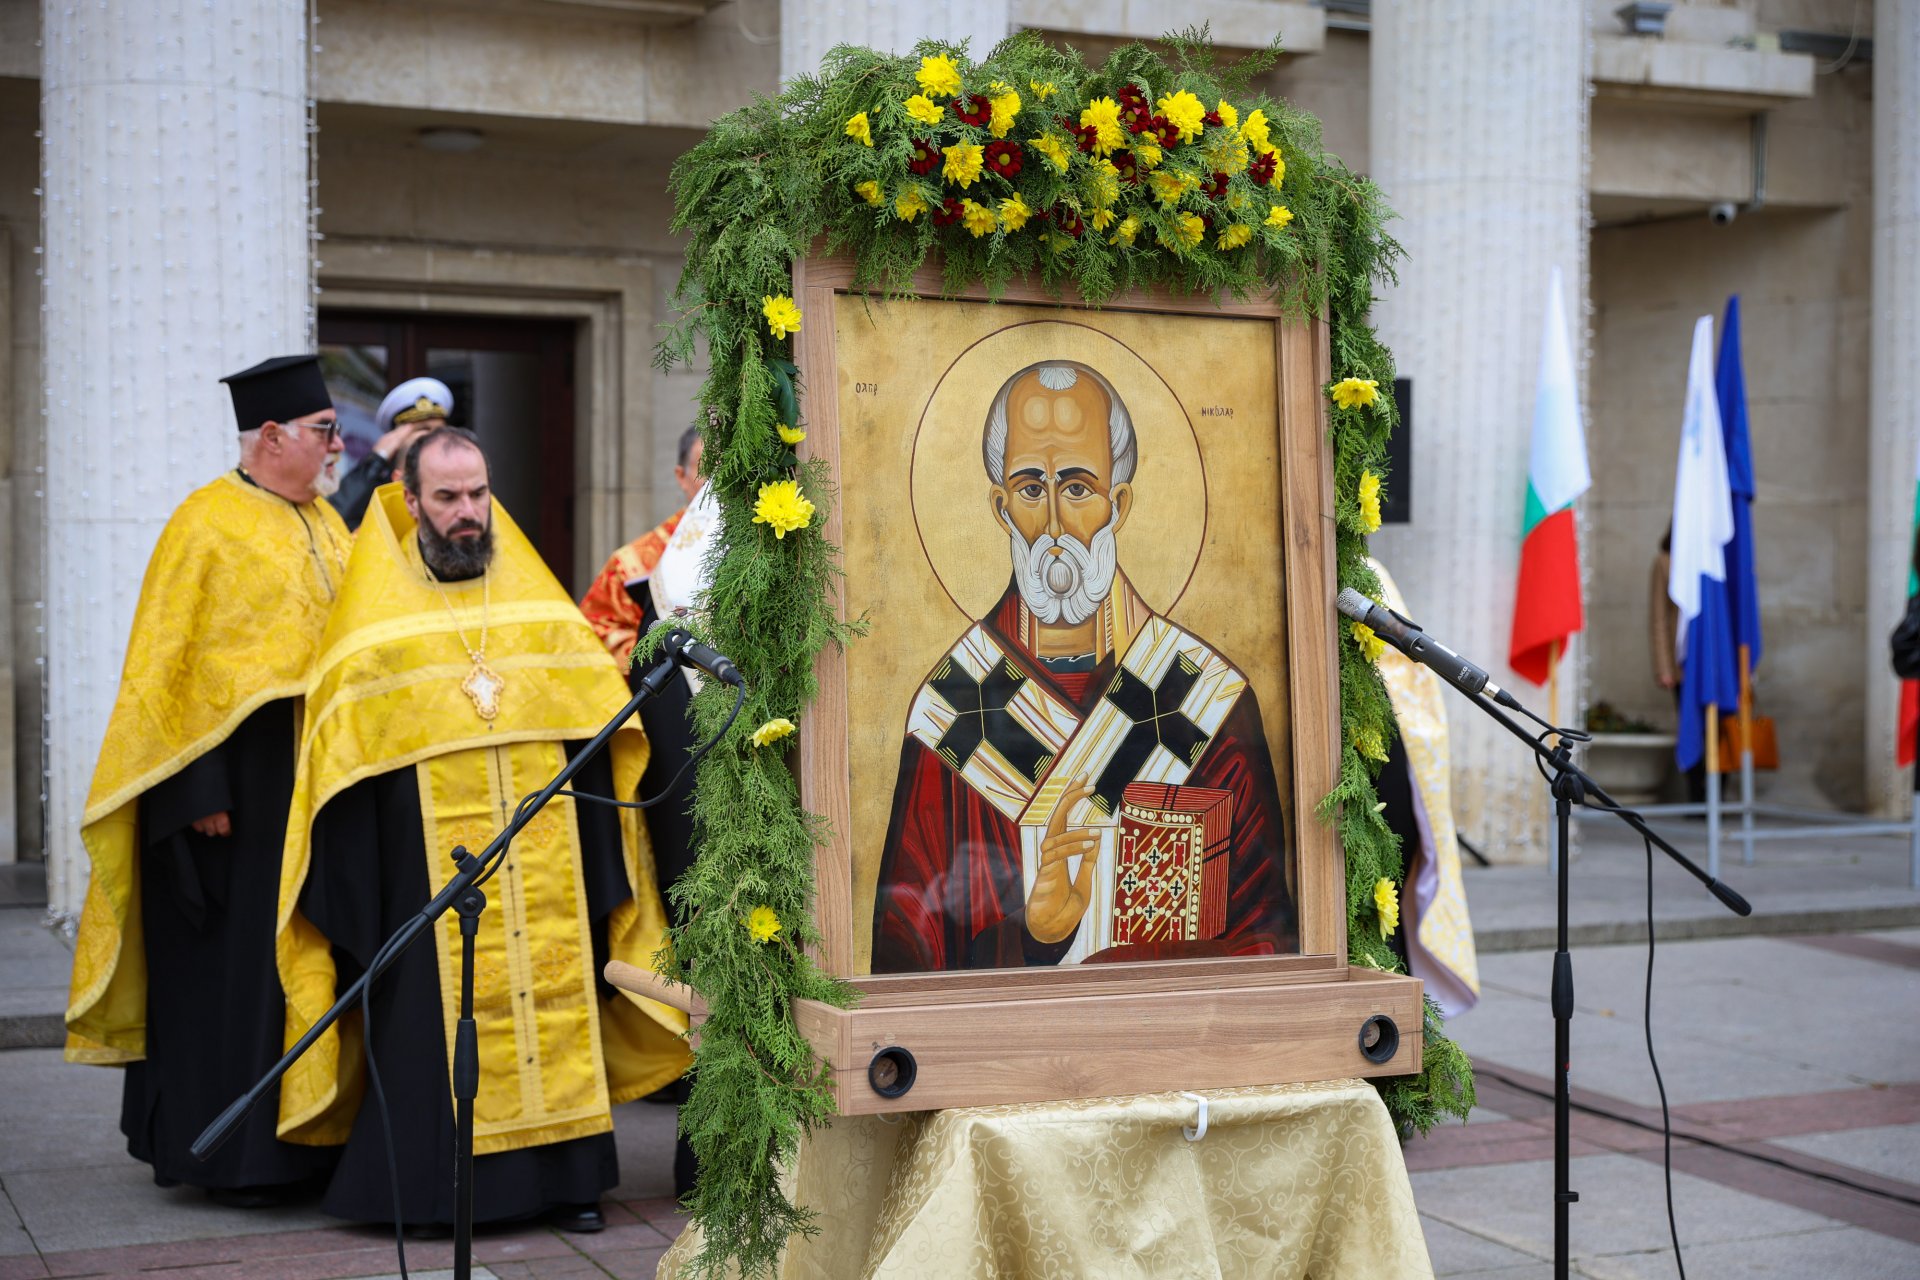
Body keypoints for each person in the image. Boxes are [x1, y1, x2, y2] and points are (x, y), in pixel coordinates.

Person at [274, 427, 690, 1233]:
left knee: (557, 1004)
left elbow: (600, 729)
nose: (467, 514)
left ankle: (568, 1183)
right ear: (409, 502)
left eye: (478, 495)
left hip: (549, 878)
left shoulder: (536, 604)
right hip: (423, 872)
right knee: (432, 1022)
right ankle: (441, 1193)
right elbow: (340, 760)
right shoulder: (371, 627)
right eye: (447, 498)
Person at [871, 360, 1295, 972]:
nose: (1052, 526)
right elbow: (908, 954)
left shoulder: (1204, 696)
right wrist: (1034, 936)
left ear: (1117, 503)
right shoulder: (955, 707)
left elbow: (1265, 934)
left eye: (1077, 488)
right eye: (1029, 488)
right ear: (1000, 506)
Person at [64, 354, 348, 1206]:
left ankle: (307, 1139)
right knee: (235, 976)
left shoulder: (331, 523)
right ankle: (233, 1156)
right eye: (324, 432)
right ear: (271, 436)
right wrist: (197, 793)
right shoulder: (206, 524)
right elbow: (166, 675)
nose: (336, 448)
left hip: (314, 784)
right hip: (235, 797)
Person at [1365, 559, 1479, 1017]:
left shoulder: (1367, 573)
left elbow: (1407, 677)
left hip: (1385, 766)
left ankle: (1399, 1038)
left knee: (1383, 914)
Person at [579, 424, 705, 668]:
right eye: (707, 470)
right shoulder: (631, 563)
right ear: (681, 476)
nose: (717, 484)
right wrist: (658, 653)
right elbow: (593, 635)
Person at [327, 376, 452, 530]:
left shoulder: (461, 479)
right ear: (397, 440)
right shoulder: (378, 490)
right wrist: (377, 458)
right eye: (423, 430)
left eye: (440, 431)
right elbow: (333, 520)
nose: (434, 439)